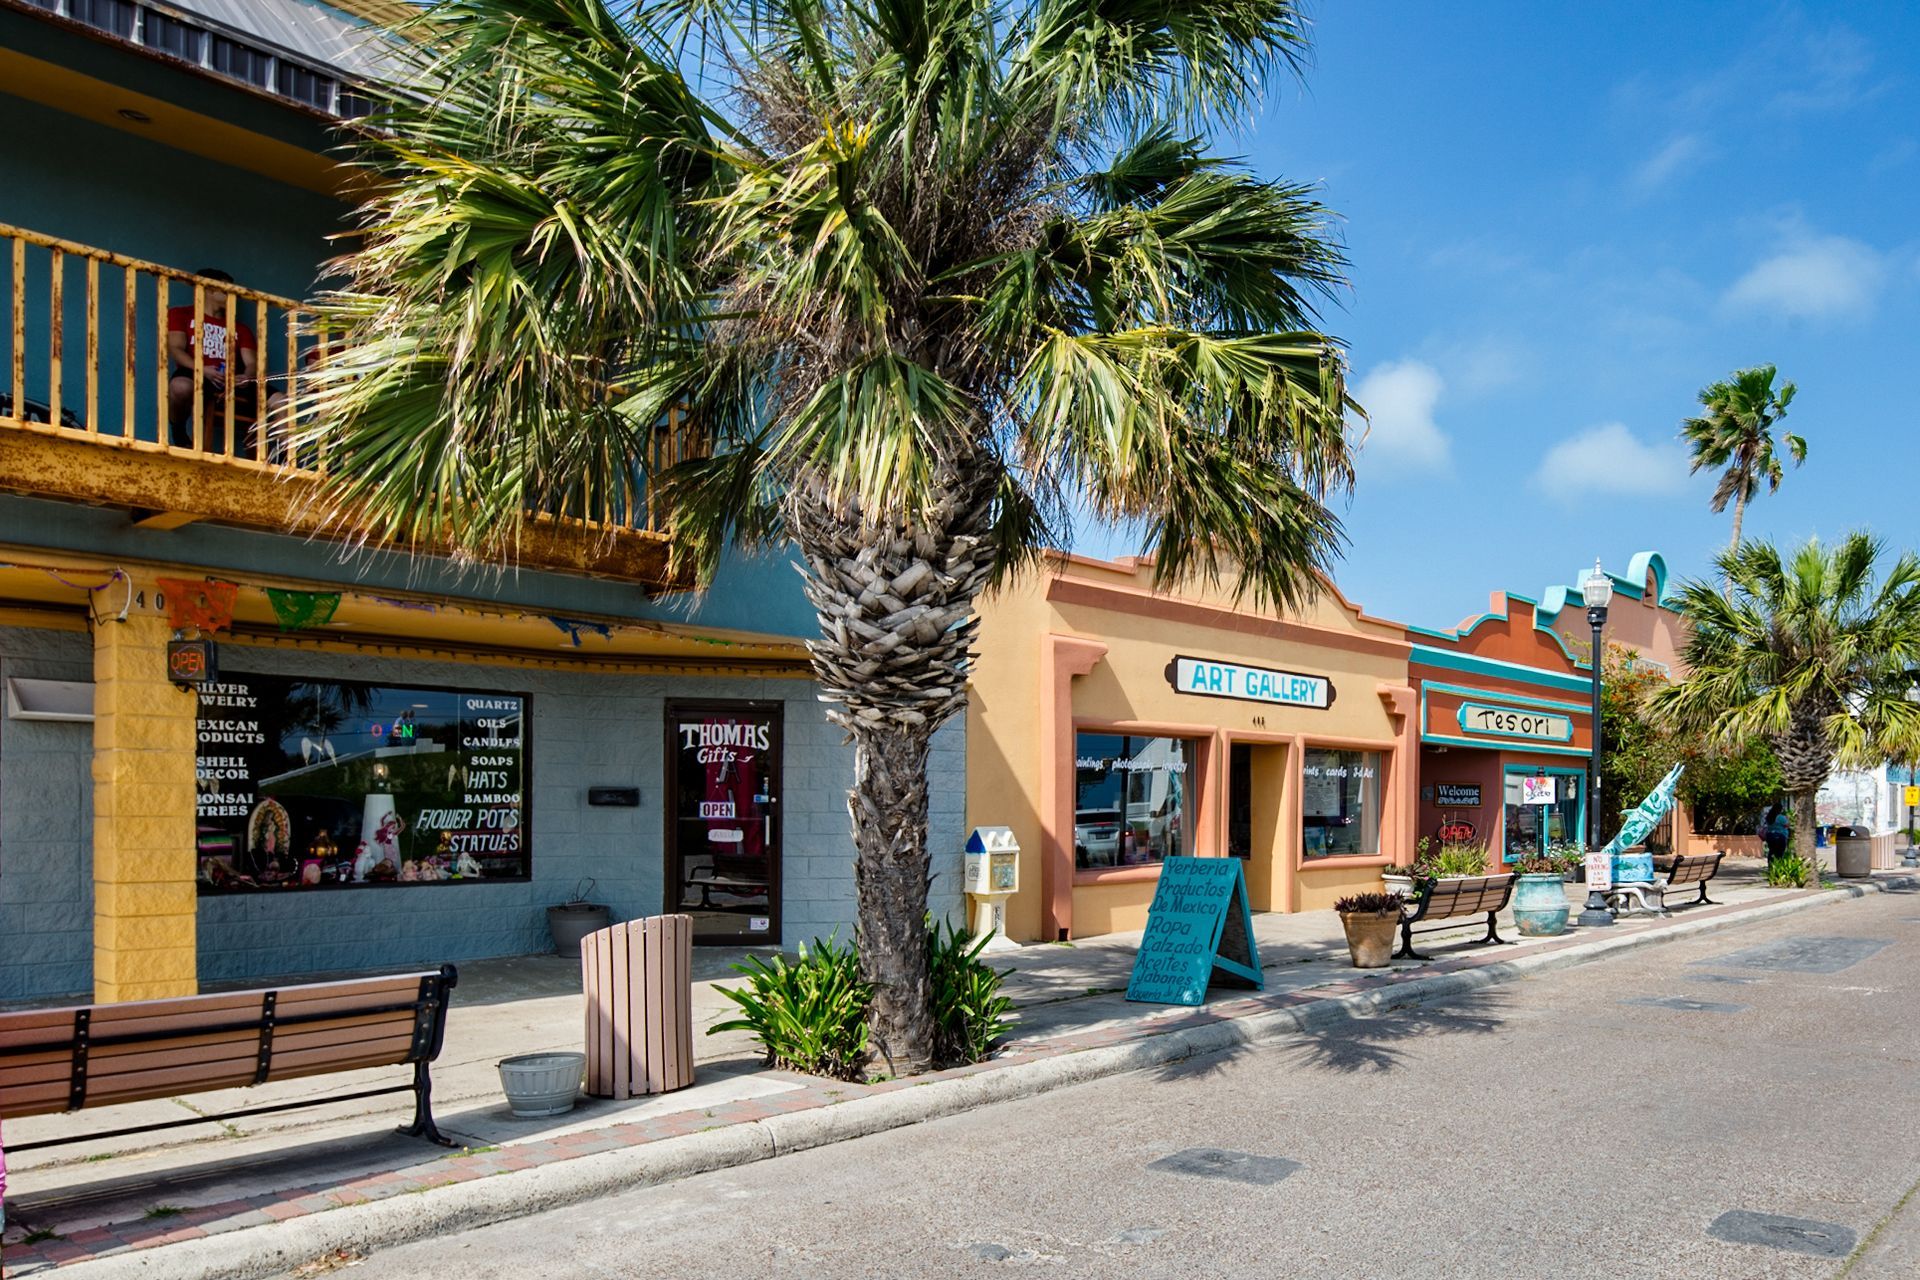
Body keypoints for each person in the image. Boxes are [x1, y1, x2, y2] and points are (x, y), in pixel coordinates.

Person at [165, 268, 284, 456]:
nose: (233, 295)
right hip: (197, 372)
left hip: (233, 380)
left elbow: (252, 362)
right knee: (179, 387)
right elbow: (176, 349)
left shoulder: (240, 328)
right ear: (210, 290)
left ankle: (285, 459)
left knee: (281, 401)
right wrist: (202, 369)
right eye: (227, 290)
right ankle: (179, 433)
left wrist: (246, 376)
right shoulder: (181, 315)